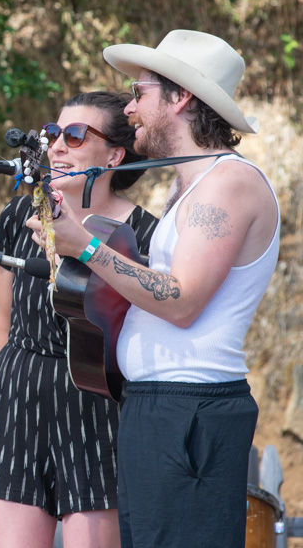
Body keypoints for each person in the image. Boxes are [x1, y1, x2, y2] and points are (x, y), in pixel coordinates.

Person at [27, 30, 280, 547]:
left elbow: (181, 300)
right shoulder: (189, 184)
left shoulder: (228, 183)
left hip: (189, 408)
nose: (130, 108)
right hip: (161, 405)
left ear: (180, 97)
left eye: (139, 92)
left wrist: (87, 248)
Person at [0, 92, 158, 548]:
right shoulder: (19, 216)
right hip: (21, 391)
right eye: (54, 133)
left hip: (96, 402)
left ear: (114, 156)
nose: (58, 146)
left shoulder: (144, 235)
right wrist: (6, 386)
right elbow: (4, 322)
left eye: (76, 135)